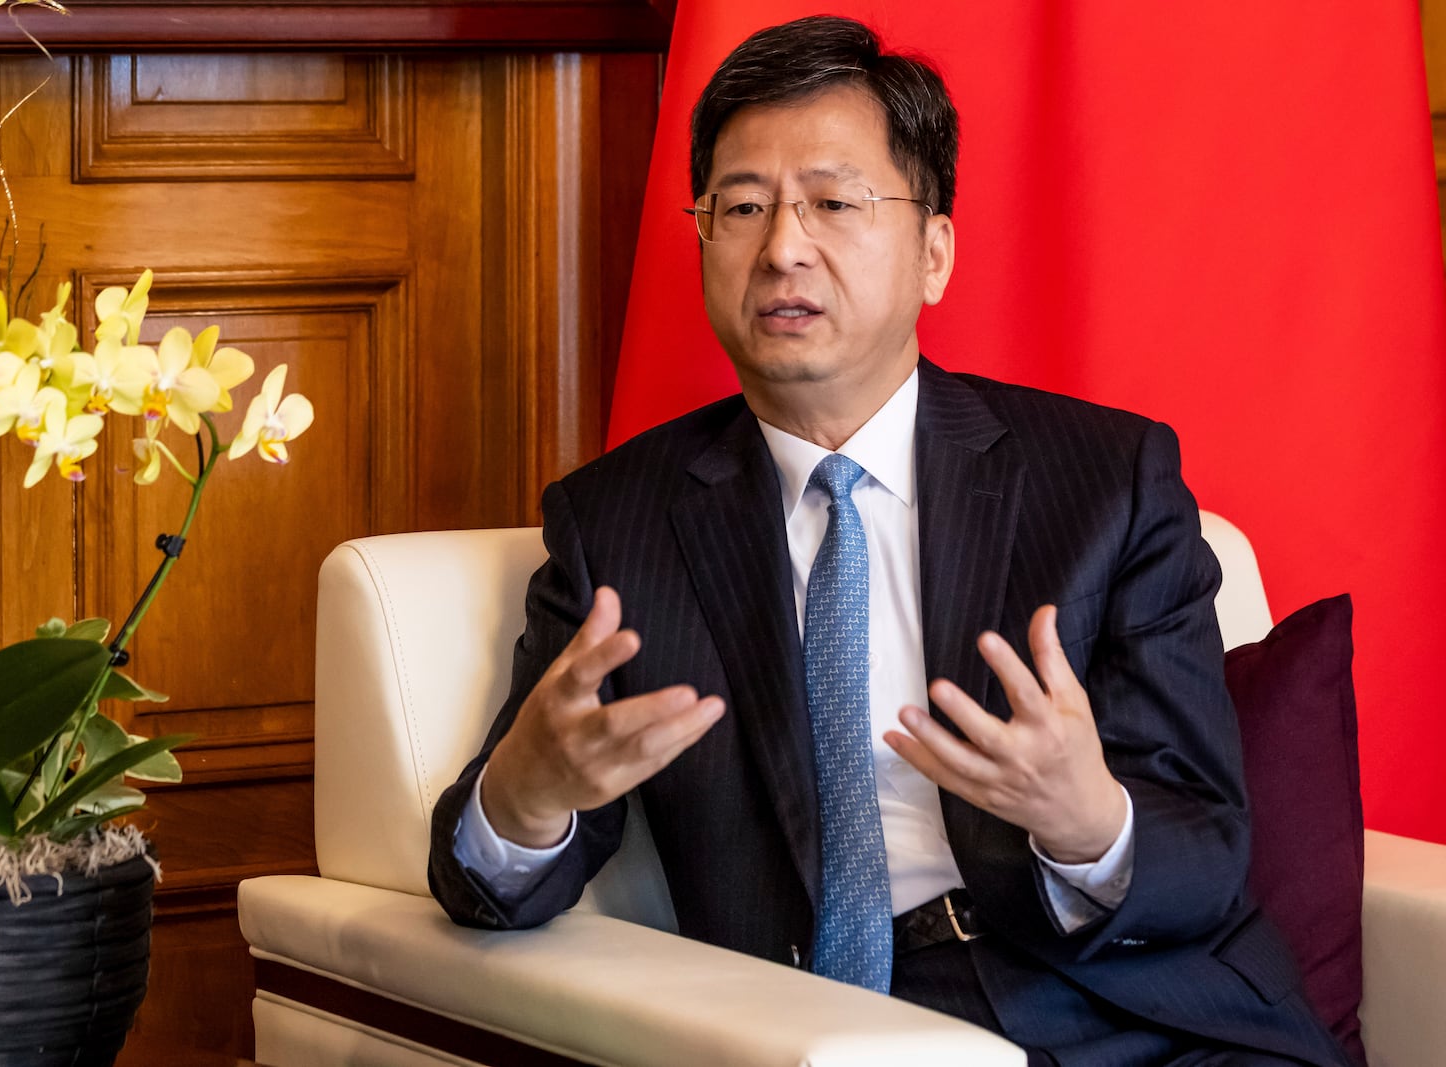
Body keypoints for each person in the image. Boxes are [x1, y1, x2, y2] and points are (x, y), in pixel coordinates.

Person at [428, 15, 1348, 1067]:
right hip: (836, 1027)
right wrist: (525, 793)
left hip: (1136, 1018)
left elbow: (1208, 853)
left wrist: (1088, 820)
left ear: (934, 253)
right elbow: (483, 886)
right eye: (740, 206)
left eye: (833, 202)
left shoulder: (1105, 481)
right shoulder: (618, 523)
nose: (782, 245)